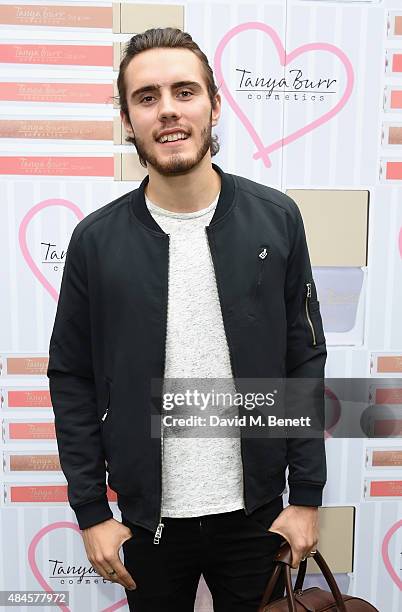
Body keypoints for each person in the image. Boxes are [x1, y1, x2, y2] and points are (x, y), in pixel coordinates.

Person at [47, 27, 327, 612]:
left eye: (184, 91)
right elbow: (71, 376)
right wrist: (92, 512)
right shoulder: (95, 241)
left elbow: (302, 360)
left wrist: (305, 495)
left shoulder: (277, 220)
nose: (168, 110)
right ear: (128, 119)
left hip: (259, 517)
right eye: (147, 98)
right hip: (147, 524)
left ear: (214, 105)